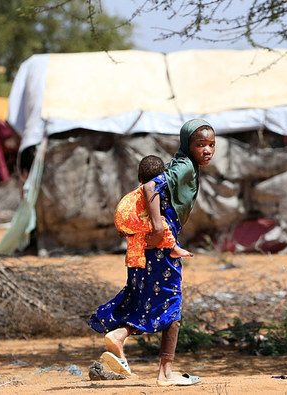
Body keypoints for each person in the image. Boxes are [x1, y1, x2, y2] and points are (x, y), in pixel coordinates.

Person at [88, 119, 216, 386]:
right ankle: (165, 374)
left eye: (211, 145)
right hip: (160, 249)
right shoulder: (183, 167)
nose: (207, 150)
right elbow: (150, 187)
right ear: (187, 145)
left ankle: (120, 336)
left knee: (148, 302)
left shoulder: (183, 164)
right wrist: (158, 228)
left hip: (147, 249)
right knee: (172, 308)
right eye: (200, 144)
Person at [114, 155, 193, 269]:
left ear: (139, 177)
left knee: (141, 231)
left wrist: (125, 227)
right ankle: (174, 248)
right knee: (160, 223)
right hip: (130, 220)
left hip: (121, 220)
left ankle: (135, 260)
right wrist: (158, 230)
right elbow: (157, 224)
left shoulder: (136, 191)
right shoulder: (152, 189)